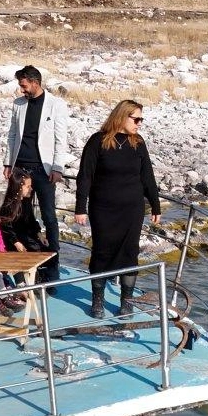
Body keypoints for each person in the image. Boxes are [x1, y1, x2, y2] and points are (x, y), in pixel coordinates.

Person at [74, 99, 162, 319]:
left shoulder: (138, 143)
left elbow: (147, 176)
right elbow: (85, 176)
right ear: (122, 117)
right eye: (136, 119)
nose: (140, 123)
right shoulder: (98, 141)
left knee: (130, 252)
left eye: (142, 119)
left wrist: (155, 204)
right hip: (103, 208)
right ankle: (97, 300)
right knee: (102, 251)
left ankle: (127, 301)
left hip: (132, 209)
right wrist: (80, 208)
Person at [2, 65, 71, 274]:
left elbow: (61, 139)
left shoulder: (56, 105)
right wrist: (8, 163)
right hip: (19, 166)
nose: (21, 90)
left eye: (23, 85)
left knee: (49, 215)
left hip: (44, 169)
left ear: (35, 82)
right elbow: (12, 134)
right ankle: (21, 258)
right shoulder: (18, 104)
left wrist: (58, 167)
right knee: (17, 213)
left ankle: (53, 264)